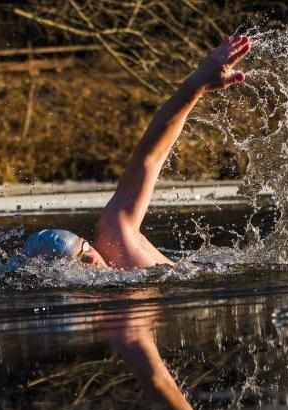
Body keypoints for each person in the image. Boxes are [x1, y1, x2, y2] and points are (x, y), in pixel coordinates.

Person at [22, 35, 252, 270]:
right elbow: (148, 157)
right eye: (75, 261)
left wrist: (194, 87)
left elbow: (150, 156)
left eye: (84, 247)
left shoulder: (117, 239)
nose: (90, 258)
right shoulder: (119, 265)